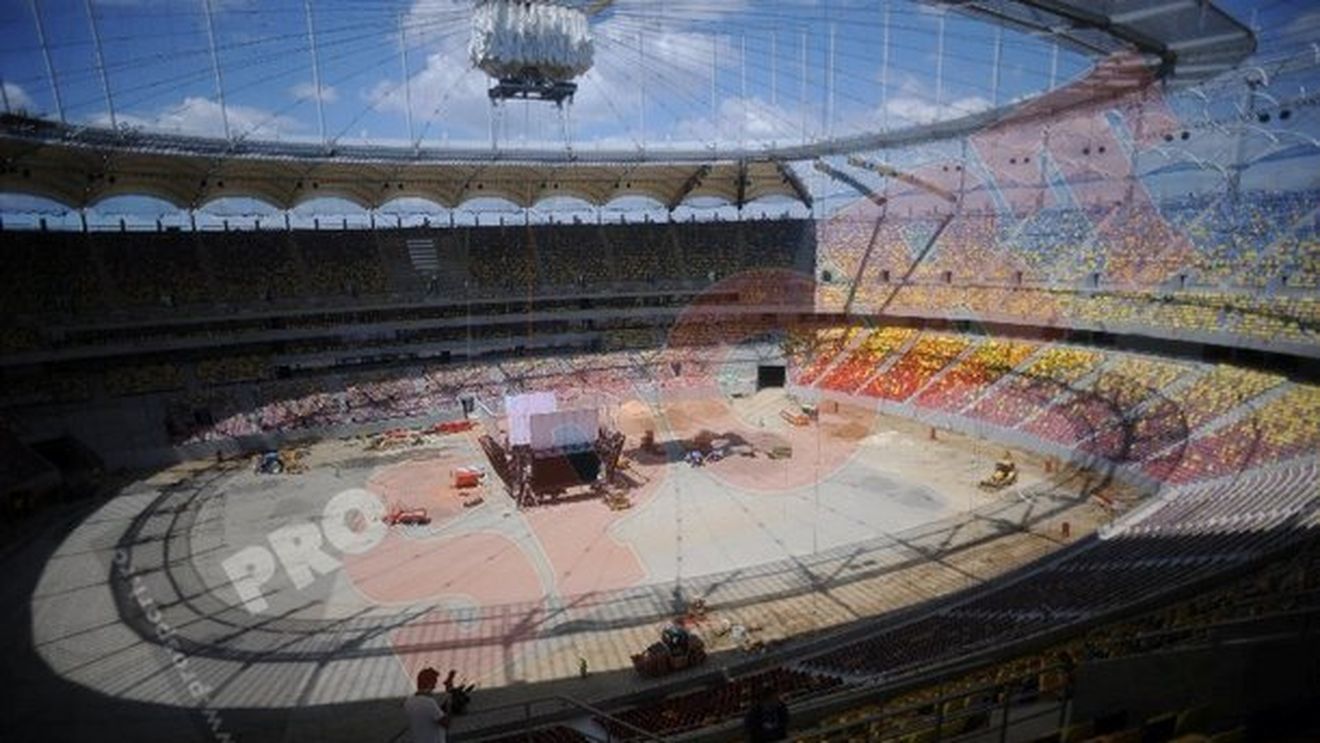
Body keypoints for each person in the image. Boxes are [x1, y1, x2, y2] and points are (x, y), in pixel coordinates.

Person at [404, 668, 450, 743]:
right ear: (428, 683)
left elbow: (425, 716)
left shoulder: (408, 702)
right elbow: (446, 723)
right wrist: (449, 706)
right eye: (434, 683)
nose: (434, 687)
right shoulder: (429, 703)